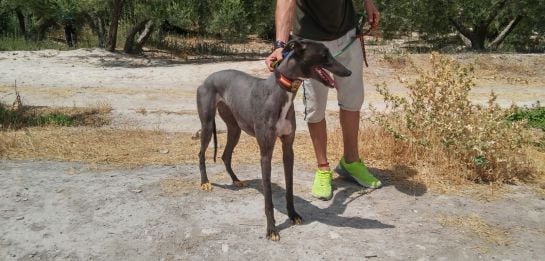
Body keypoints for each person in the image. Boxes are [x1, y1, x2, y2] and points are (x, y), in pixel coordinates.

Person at [265, 0, 382, 200]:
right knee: (315, 108)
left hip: (347, 36)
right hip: (310, 45)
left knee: (352, 100)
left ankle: (351, 162)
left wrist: (368, 3)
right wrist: (280, 45)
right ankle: (323, 168)